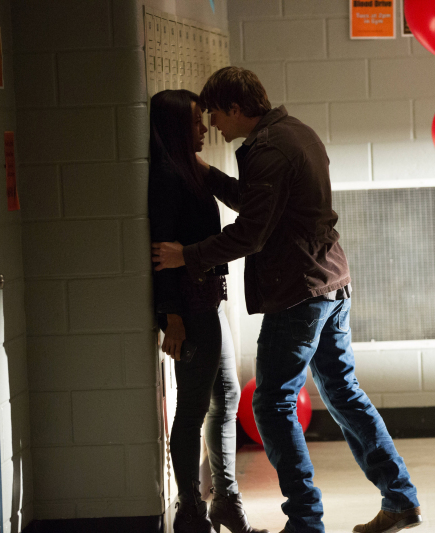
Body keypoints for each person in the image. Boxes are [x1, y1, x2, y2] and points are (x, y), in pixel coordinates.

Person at [151, 68, 423, 533]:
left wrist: (186, 255)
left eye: (214, 113)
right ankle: (399, 499)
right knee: (343, 393)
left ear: (236, 109)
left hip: (299, 291)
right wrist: (211, 176)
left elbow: (252, 232)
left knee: (272, 402)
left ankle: (304, 520)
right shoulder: (293, 132)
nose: (212, 124)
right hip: (329, 283)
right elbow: (262, 206)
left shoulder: (269, 148)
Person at [148, 89, 268, 533]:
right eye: (197, 121)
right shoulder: (165, 178)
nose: (206, 127)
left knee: (227, 397)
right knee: (194, 408)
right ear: (178, 126)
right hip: (190, 311)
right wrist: (172, 317)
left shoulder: (187, 171)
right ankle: (191, 512)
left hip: (208, 301)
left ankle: (225, 502)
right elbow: (160, 253)